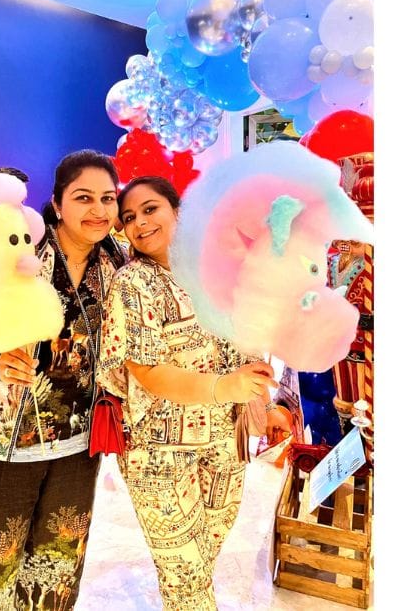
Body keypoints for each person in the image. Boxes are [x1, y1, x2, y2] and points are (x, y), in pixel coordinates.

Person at [0, 151, 127, 611]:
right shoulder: (15, 249)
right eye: (83, 198)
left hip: (76, 449)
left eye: (107, 198)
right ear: (57, 203)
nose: (98, 210)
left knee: (55, 574)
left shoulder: (116, 262)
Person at [96, 175, 283, 610]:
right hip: (159, 453)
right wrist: (225, 387)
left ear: (177, 212)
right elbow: (147, 371)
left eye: (150, 209)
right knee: (185, 575)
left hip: (226, 443)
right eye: (129, 217)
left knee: (203, 558)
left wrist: (265, 403)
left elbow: (246, 343)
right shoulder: (132, 283)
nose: (140, 223)